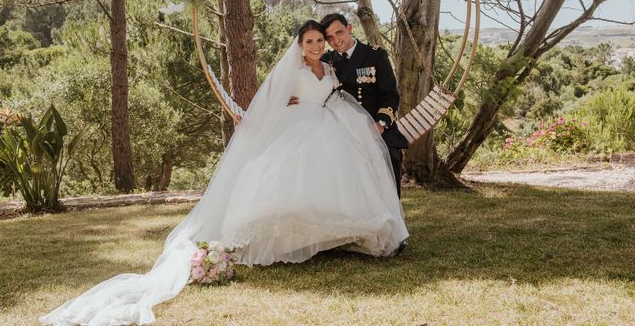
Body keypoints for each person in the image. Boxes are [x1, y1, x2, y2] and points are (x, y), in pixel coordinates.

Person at [40, 20, 408, 326]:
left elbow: (354, 92)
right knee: (286, 180)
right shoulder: (292, 71)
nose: (317, 45)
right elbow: (272, 103)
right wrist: (269, 114)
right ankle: (290, 237)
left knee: (339, 181)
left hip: (331, 128)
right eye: (311, 41)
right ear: (300, 45)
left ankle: (337, 235)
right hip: (301, 129)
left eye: (321, 40)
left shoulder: (331, 67)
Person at [320, 13, 409, 197]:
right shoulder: (325, 61)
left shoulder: (375, 55)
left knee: (389, 157)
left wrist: (381, 124)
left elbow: (390, 94)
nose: (336, 40)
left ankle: (392, 214)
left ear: (349, 29)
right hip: (340, 128)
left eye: (339, 32)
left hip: (374, 125)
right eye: (330, 37)